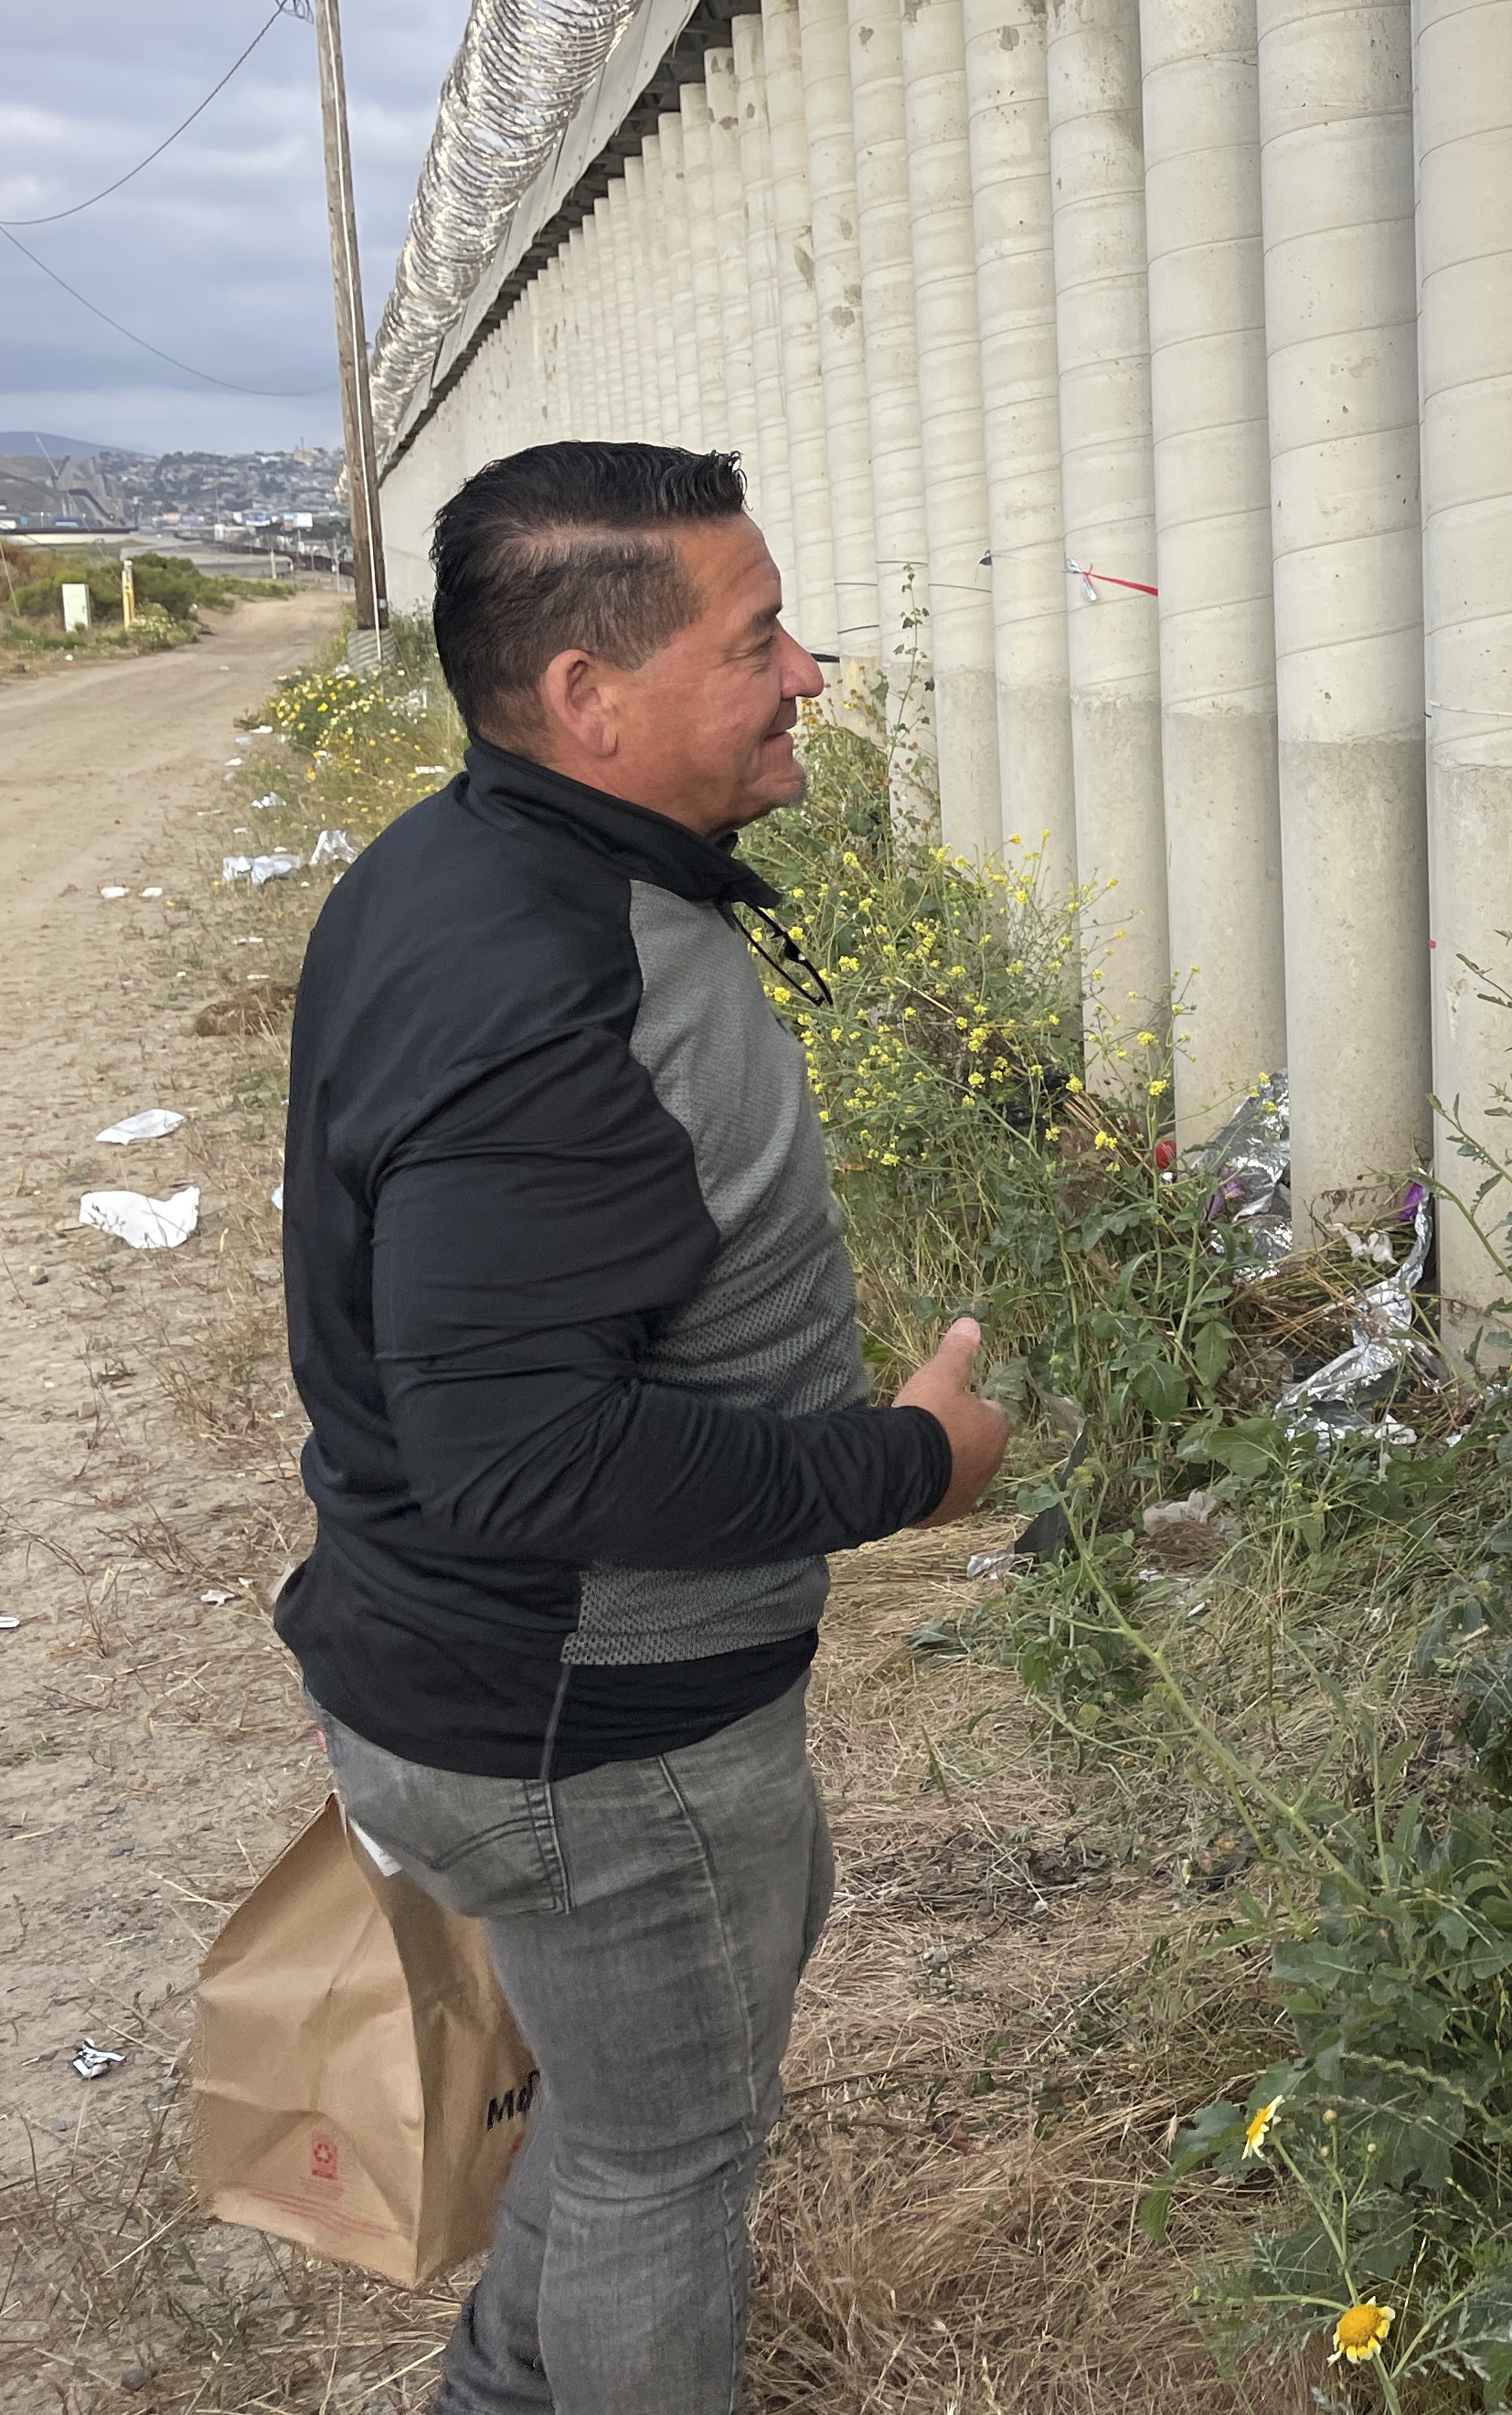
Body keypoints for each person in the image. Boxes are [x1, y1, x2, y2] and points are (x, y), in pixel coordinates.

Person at [271, 442, 1013, 2414]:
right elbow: (519, 1453)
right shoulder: (558, 986)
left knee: (612, 2132)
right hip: (587, 1731)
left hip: (484, 1685)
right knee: (659, 2166)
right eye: (755, 638)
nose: (809, 673)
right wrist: (904, 1466)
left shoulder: (450, 871)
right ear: (589, 699)